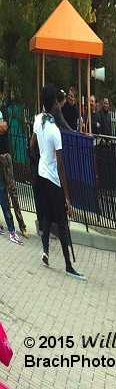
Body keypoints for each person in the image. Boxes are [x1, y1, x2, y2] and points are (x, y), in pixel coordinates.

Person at [33, 85, 84, 280]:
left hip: (41, 173)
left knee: (46, 215)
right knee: (62, 222)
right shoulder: (55, 130)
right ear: (54, 104)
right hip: (53, 177)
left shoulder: (38, 120)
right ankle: (68, 265)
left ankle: (45, 250)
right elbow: (61, 166)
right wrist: (67, 196)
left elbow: (32, 144)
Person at [0, 81, 27, 239]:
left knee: (12, 189)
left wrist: (2, 126)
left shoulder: (4, 109)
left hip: (5, 154)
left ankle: (21, 224)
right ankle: (10, 224)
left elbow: (5, 127)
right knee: (2, 192)